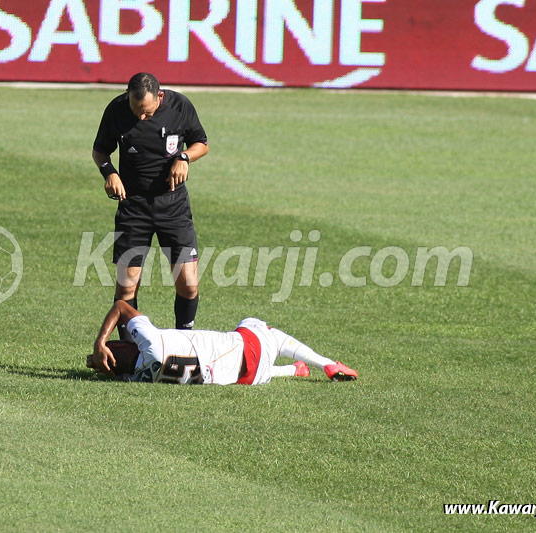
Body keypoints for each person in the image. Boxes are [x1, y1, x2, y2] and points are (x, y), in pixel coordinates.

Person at [92, 72, 209, 339]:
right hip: (133, 208)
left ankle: (184, 342)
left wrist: (184, 157)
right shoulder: (116, 110)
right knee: (126, 288)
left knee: (188, 284)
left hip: (173, 206)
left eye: (146, 112)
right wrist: (109, 173)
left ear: (159, 96)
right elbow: (100, 151)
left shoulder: (180, 106)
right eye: (136, 111)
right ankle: (130, 349)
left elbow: (201, 144)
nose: (141, 117)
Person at [87, 301, 358, 385]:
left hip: (249, 378)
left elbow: (117, 371)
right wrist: (101, 343)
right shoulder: (151, 342)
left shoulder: (136, 379)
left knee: (243, 363)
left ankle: (292, 370)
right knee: (255, 324)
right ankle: (326, 364)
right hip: (252, 347)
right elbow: (121, 306)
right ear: (124, 347)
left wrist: (102, 367)